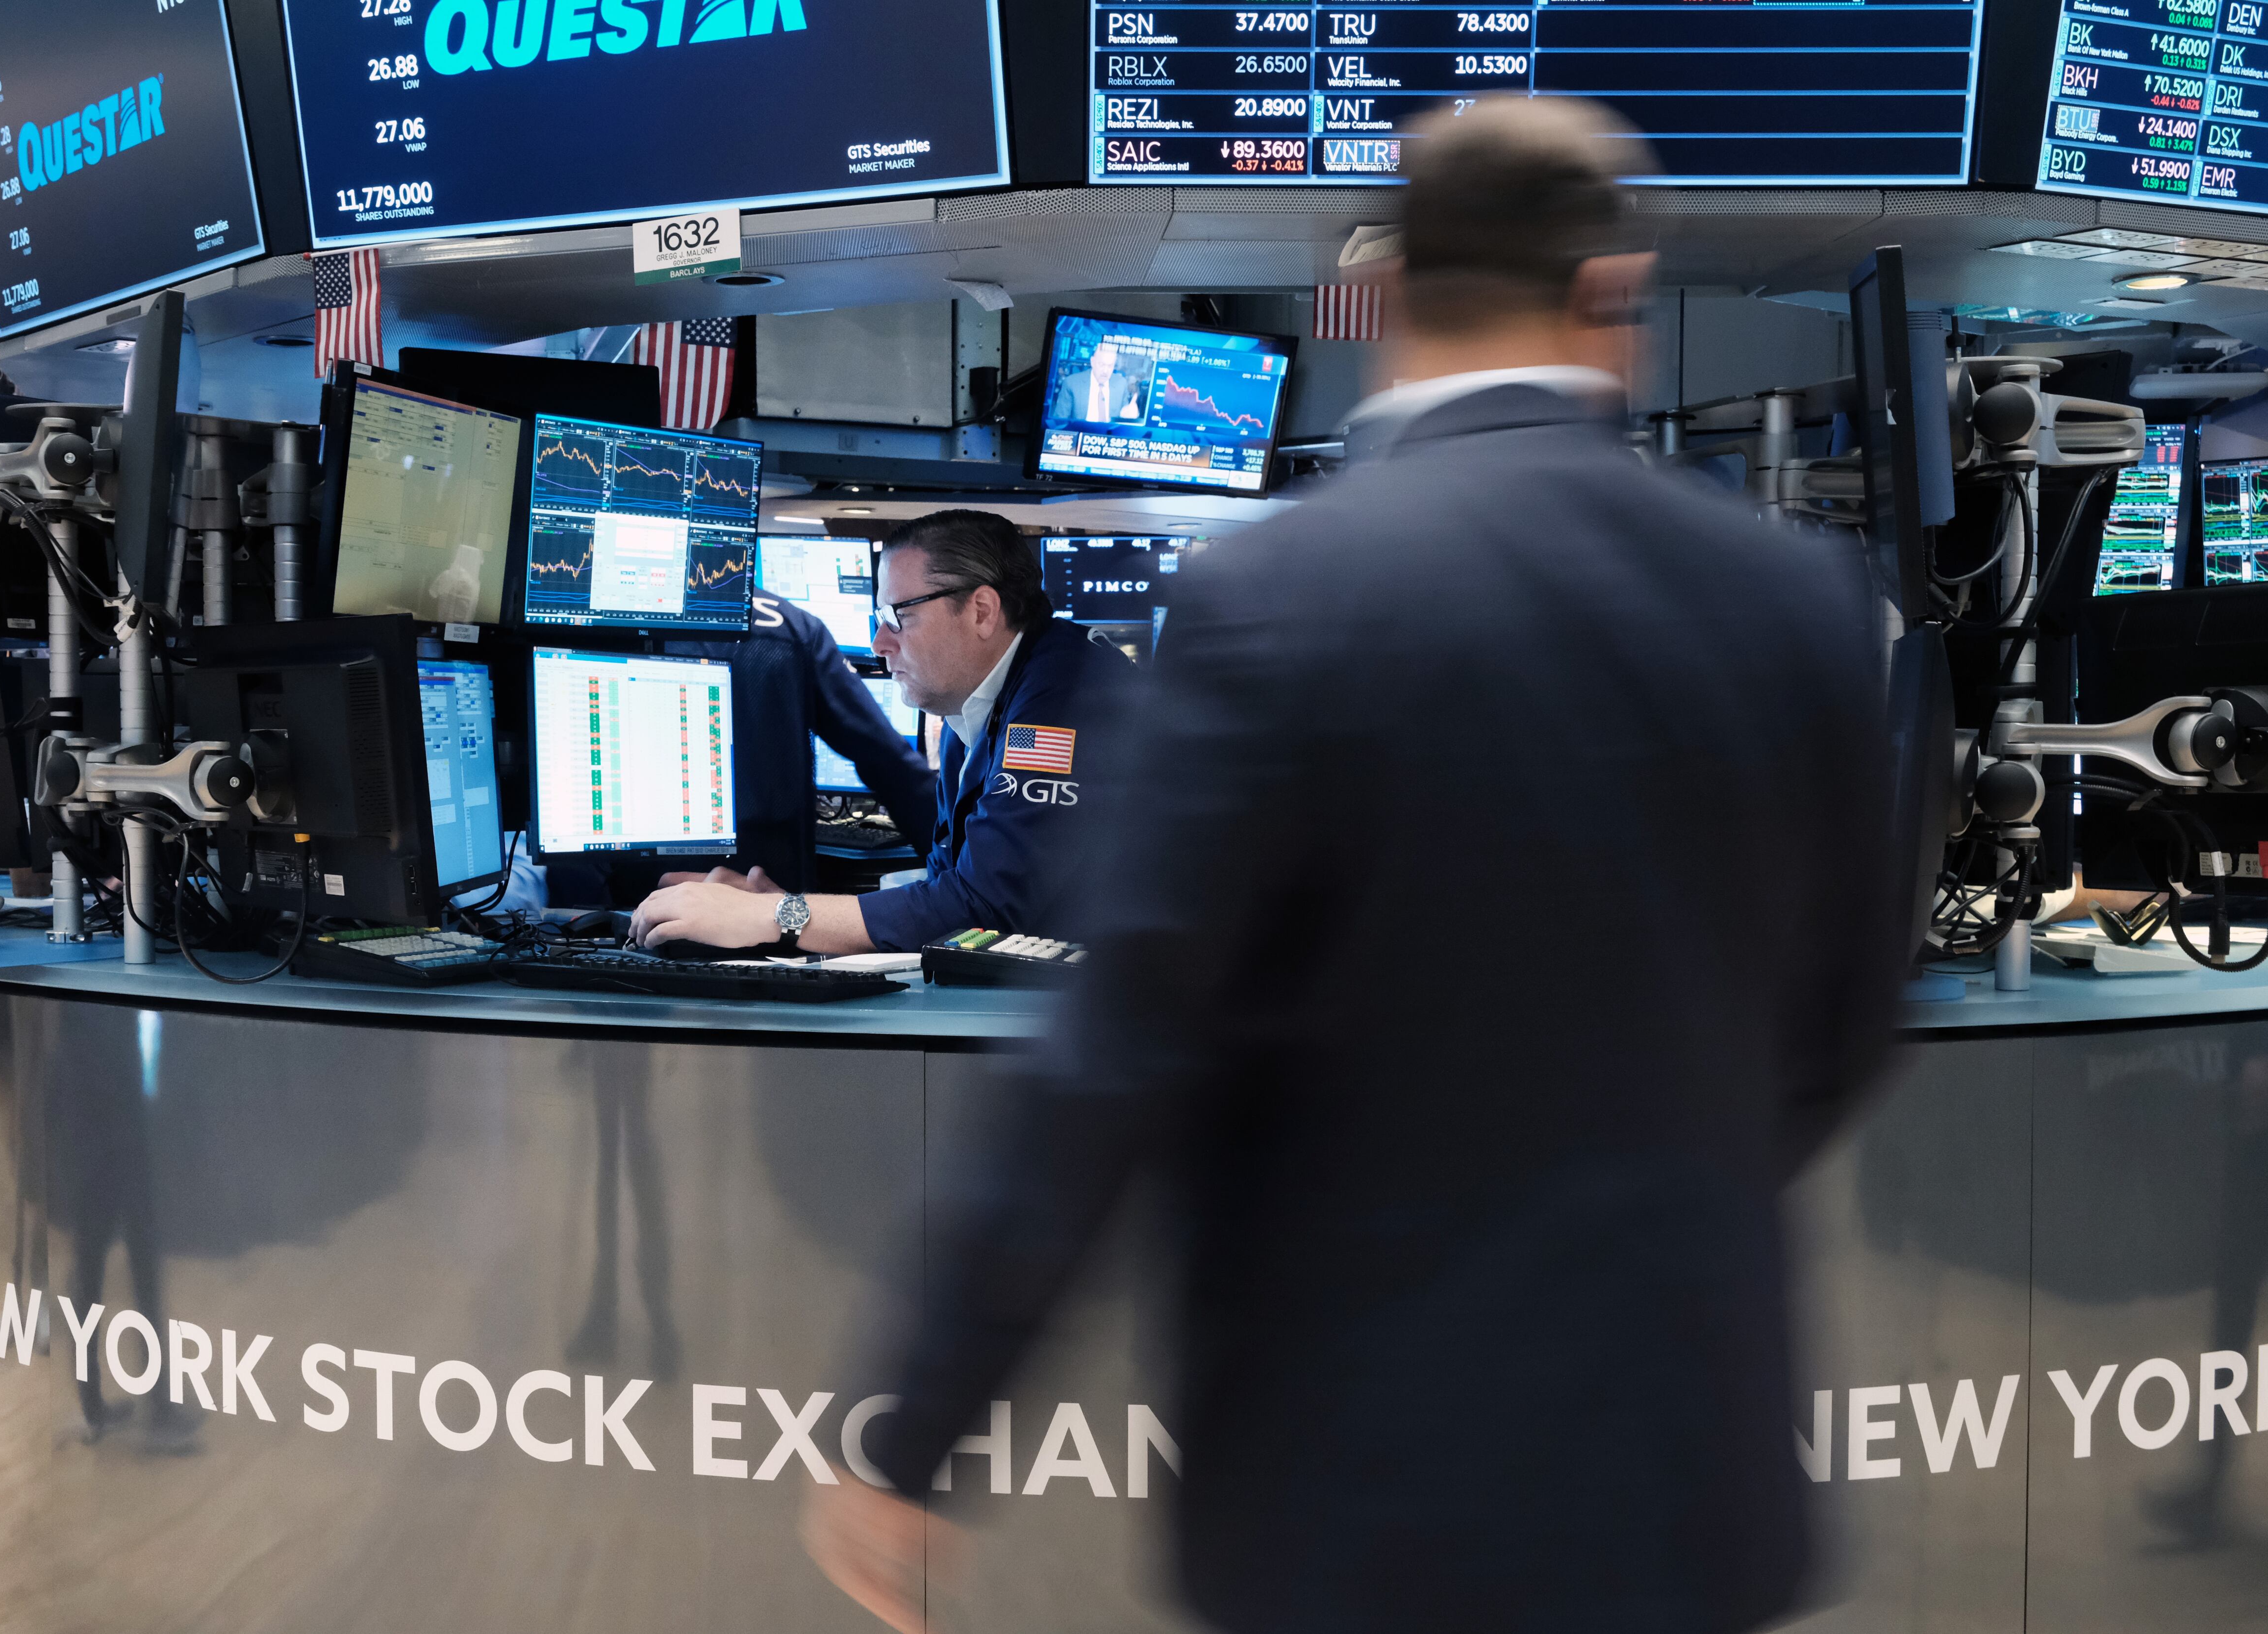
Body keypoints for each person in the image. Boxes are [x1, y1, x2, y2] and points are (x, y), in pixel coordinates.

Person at [802, 97, 1903, 1634]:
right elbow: (1846, 1022)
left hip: (1360, 1479)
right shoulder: (1791, 594)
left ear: (1381, 303)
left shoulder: (1279, 596)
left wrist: (916, 1428)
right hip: (1677, 1458)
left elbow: (1116, 1056)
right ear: (1611, 293)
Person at [631, 509, 1138, 954]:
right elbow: (949, 895)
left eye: (899, 616)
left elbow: (981, 910)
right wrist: (788, 909)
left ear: (981, 611)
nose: (878, 643)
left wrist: (777, 917)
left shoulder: (1068, 698)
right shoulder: (981, 709)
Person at [545, 588, 934, 906]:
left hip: (629, 914)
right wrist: (957, 885)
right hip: (764, 911)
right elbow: (889, 764)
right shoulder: (789, 626)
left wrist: (579, 926)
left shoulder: (569, 621)